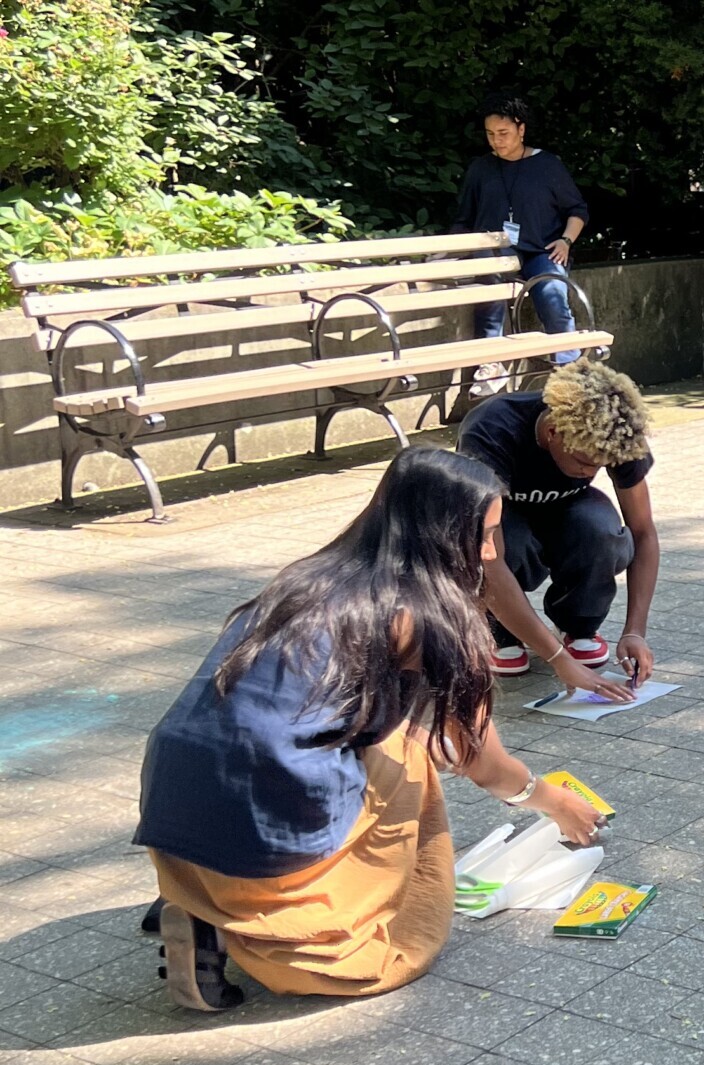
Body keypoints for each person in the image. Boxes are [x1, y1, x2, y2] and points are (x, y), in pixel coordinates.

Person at [135, 450, 608, 1012]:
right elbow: (476, 758)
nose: (489, 553)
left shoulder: (307, 576)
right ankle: (249, 932)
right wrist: (554, 801)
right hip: (263, 818)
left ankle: (202, 900)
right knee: (410, 770)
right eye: (481, 534)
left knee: (375, 736)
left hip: (172, 802)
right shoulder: (427, 616)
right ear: (439, 533)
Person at [455, 359, 659, 691]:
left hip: (566, 515)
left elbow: (644, 532)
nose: (590, 474)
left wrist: (635, 630)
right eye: (584, 462)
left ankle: (579, 625)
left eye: (601, 467)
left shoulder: (615, 432)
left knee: (600, 528)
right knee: (506, 541)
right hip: (501, 522)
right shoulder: (492, 429)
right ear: (552, 433)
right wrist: (557, 660)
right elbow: (487, 558)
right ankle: (498, 630)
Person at [451, 92, 590, 389]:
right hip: (496, 252)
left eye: (503, 133)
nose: (496, 141)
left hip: (541, 250)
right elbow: (464, 219)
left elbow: (577, 211)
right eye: (490, 134)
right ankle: (490, 364)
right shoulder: (481, 168)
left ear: (521, 129)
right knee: (488, 284)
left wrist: (566, 240)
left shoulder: (548, 165)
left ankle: (570, 373)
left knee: (554, 293)